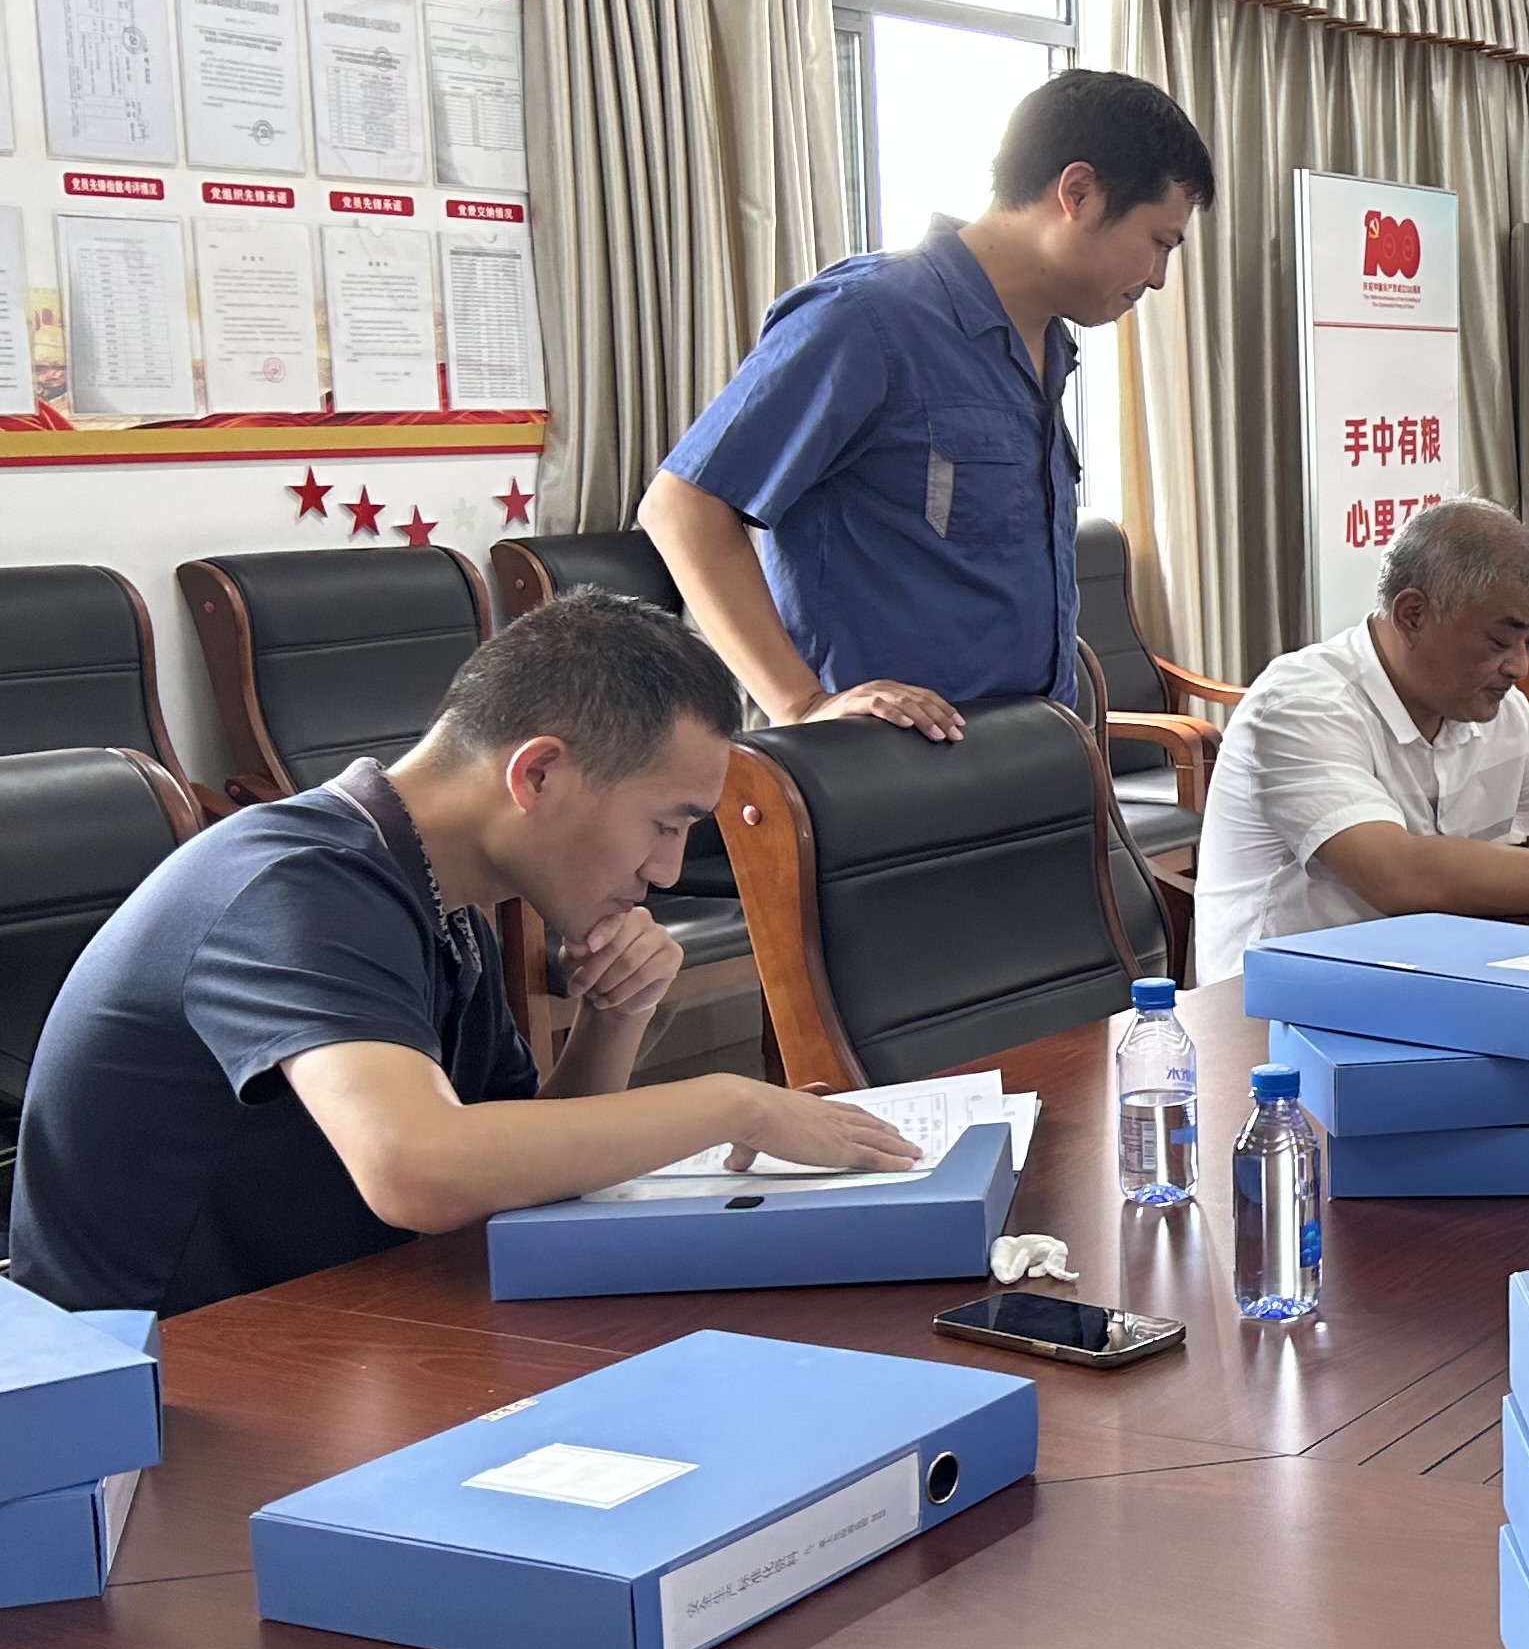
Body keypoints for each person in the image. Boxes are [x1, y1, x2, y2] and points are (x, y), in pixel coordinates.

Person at [6, 595, 919, 1314]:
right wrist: (732, 1103)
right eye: (664, 823)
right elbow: (419, 1170)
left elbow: (515, 1168)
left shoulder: (438, 898)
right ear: (539, 774)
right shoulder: (291, 887)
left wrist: (614, 1019)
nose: (668, 871)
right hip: (158, 1391)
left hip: (331, 1324)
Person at [640, 69, 1213, 744]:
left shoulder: (1048, 347)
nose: (1158, 278)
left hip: (1030, 751)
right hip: (889, 768)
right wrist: (801, 704)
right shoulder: (866, 317)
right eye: (1160, 243)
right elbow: (682, 508)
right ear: (1078, 193)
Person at [1188, 499, 1529, 979]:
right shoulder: (1300, 705)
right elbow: (1399, 876)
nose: (1519, 667)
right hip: (1278, 1014)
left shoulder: (1492, 708)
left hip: (1435, 980)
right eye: (1500, 641)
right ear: (1413, 615)